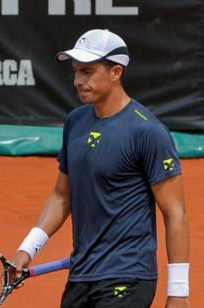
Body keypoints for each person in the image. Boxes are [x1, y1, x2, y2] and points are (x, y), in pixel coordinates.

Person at [12, 29, 190, 308]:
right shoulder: (75, 122)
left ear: (116, 72)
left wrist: (178, 291)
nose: (78, 81)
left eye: (88, 72)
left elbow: (175, 213)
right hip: (82, 275)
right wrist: (28, 248)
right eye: (75, 72)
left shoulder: (148, 132)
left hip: (128, 276)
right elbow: (61, 196)